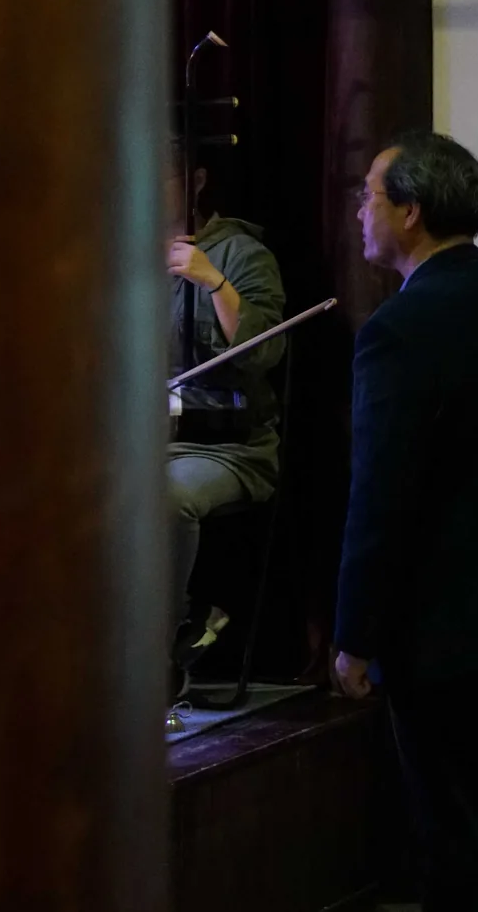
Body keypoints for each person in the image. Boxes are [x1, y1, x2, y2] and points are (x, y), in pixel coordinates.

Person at [334, 131, 478, 910]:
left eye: (369, 195)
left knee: (459, 847)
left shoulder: (398, 331)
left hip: (445, 643)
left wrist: (355, 634)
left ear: (410, 212)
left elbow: (381, 497)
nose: (360, 212)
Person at [165, 143, 286, 695]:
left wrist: (214, 282)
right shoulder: (117, 253)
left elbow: (265, 354)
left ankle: (161, 646)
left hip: (227, 446)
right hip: (146, 441)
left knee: (165, 497)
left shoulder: (241, 252)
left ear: (195, 181)